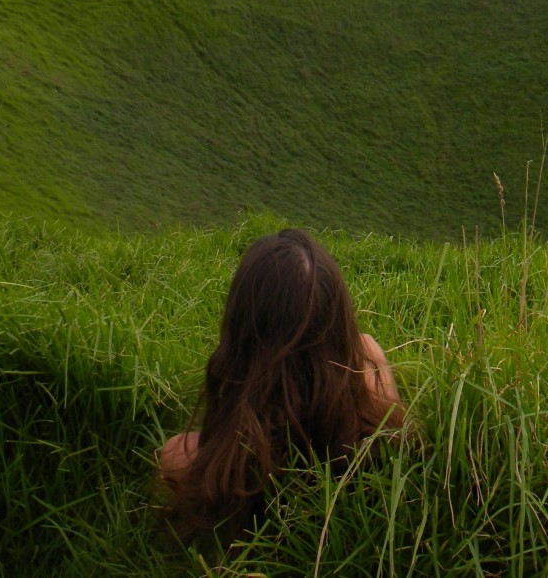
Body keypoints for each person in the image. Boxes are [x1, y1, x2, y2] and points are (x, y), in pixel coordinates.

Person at [158, 229, 403, 540]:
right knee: (367, 348)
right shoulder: (376, 439)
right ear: (339, 323)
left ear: (240, 332)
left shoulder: (198, 465)